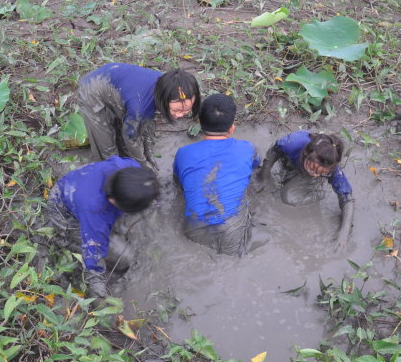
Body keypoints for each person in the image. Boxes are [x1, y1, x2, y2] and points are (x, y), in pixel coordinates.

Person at [47, 156, 158, 297]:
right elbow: (93, 260)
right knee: (125, 259)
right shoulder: (95, 215)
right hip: (61, 210)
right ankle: (61, 240)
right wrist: (102, 299)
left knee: (119, 229)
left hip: (79, 180)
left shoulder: (129, 168)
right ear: (115, 202)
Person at [173, 94, 263, 256]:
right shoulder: (247, 149)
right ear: (232, 128)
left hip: (193, 228)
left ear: (199, 123)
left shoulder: (183, 153)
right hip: (230, 230)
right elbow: (256, 166)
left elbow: (178, 182)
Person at [78, 63, 201, 169]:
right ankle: (110, 177)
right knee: (108, 151)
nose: (180, 115)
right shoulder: (140, 106)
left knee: (127, 140)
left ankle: (128, 166)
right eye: (177, 110)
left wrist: (148, 153)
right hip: (92, 90)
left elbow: (144, 127)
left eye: (186, 111)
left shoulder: (169, 86)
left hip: (119, 87)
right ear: (163, 100)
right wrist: (143, 165)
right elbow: (130, 137)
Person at [259, 131, 354, 250]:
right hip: (296, 159)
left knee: (289, 197)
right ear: (305, 153)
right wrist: (264, 174)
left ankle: (319, 194)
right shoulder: (292, 143)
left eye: (320, 173)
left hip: (305, 167)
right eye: (312, 168)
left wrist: (344, 233)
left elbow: (347, 198)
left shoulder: (332, 170)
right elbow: (275, 150)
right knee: (286, 169)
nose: (314, 174)